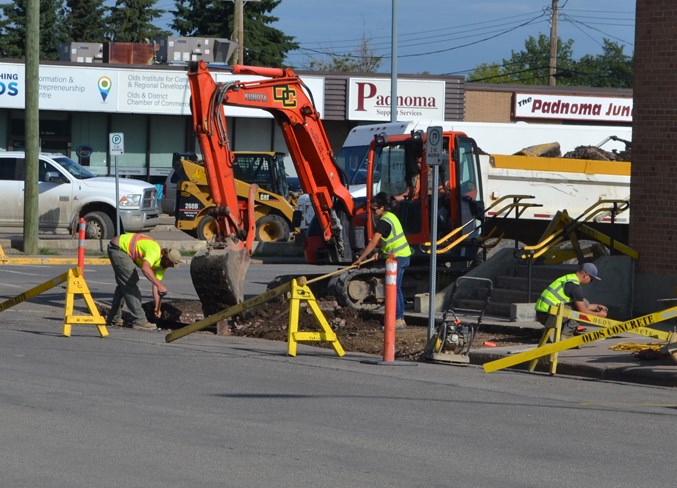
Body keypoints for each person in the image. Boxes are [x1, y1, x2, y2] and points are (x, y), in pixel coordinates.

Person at [353, 192, 412, 330]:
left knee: (393, 289)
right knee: (396, 289)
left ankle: (397, 319)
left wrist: (360, 259)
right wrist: (380, 253)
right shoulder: (391, 217)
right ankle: (400, 319)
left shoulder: (384, 221)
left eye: (374, 209)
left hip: (398, 258)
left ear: (381, 208)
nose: (373, 212)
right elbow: (390, 240)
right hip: (402, 256)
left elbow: (373, 242)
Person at [106, 233, 182, 330]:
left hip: (121, 249)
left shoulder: (162, 266)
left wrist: (157, 307)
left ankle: (113, 318)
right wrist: (159, 285)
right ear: (167, 259)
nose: (170, 267)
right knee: (131, 282)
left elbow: (156, 287)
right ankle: (139, 321)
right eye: (171, 264)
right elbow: (145, 268)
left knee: (124, 284)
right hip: (118, 248)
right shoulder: (154, 252)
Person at [534, 262, 608, 337]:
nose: (590, 282)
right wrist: (599, 315)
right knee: (579, 312)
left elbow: (581, 305)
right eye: (591, 279)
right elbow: (583, 311)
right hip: (549, 316)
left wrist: (596, 306)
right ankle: (565, 335)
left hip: (542, 314)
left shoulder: (569, 278)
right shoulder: (575, 287)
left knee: (583, 303)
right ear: (586, 275)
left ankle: (554, 331)